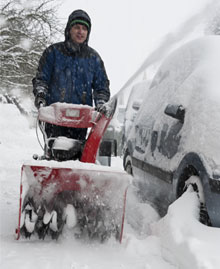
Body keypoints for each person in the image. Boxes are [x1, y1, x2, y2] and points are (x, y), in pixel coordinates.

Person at [32, 9, 110, 142]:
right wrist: (41, 95)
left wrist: (101, 102)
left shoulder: (93, 58)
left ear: (88, 33)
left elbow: (101, 87)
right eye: (77, 27)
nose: (80, 32)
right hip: (54, 115)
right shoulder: (53, 53)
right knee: (54, 149)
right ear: (69, 30)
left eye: (84, 29)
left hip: (82, 119)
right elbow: (41, 79)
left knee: (77, 154)